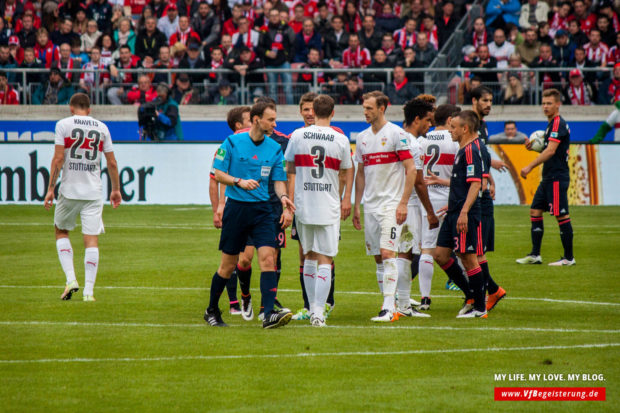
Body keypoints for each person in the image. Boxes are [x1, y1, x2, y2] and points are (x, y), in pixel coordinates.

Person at [205, 100, 295, 329]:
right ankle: (212, 310)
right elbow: (218, 173)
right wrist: (238, 181)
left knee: (268, 259)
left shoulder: (275, 148)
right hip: (237, 209)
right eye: (271, 119)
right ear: (257, 120)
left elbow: (279, 182)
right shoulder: (233, 142)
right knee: (228, 265)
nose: (275, 124)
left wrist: (284, 199)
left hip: (263, 211)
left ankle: (268, 314)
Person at [43, 93, 121, 302]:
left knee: (61, 231)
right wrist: (116, 189)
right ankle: (89, 293)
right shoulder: (101, 127)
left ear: (71, 108)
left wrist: (51, 188)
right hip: (93, 191)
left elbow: (58, 158)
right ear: (89, 109)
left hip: (69, 190)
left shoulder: (63, 125)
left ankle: (71, 279)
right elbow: (112, 163)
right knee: (91, 239)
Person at [285, 95, 353, 327]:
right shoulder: (341, 139)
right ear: (333, 113)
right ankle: (318, 313)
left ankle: (311, 307)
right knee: (325, 258)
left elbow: (290, 168)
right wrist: (345, 198)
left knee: (309, 256)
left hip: (304, 203)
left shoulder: (297, 135)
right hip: (328, 204)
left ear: (313, 111)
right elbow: (346, 171)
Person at [352, 91, 416, 322]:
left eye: (369, 107)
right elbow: (361, 174)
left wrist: (403, 203)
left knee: (389, 252)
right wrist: (357, 206)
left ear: (382, 108)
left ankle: (389, 309)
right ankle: (390, 303)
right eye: (364, 107)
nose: (365, 111)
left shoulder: (397, 134)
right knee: (379, 257)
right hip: (370, 206)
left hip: (391, 206)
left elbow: (411, 169)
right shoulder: (362, 137)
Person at [433, 110, 486, 318]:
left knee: (469, 258)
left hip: (465, 214)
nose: (450, 131)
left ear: (465, 129)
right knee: (440, 255)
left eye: (453, 127)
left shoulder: (472, 150)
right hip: (454, 211)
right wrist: (453, 205)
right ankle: (470, 294)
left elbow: (475, 184)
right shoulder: (463, 149)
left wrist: (464, 211)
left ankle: (480, 308)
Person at [410, 104, 461, 309]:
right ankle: (474, 294)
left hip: (427, 200)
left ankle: (425, 298)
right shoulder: (456, 142)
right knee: (465, 249)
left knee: (427, 250)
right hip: (450, 200)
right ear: (450, 120)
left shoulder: (421, 141)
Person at [393, 98, 439, 319]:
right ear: (417, 119)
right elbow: (419, 182)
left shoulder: (396, 136)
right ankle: (402, 304)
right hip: (408, 203)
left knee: (401, 252)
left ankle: (400, 301)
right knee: (405, 252)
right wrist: (430, 212)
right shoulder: (414, 144)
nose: (429, 125)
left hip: (392, 200)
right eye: (428, 121)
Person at [518, 89, 575, 266]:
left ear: (558, 104)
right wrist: (534, 147)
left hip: (557, 176)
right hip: (549, 177)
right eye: (543, 103)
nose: (545, 106)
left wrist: (529, 166)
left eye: (549, 103)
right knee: (535, 211)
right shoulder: (551, 124)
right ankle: (535, 255)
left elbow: (550, 151)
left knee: (561, 215)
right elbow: (550, 148)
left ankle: (568, 258)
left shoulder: (558, 123)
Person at [209, 106, 252, 315]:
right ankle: (233, 302)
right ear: (239, 125)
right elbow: (214, 179)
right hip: (233, 208)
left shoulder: (257, 145)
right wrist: (218, 207)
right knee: (231, 258)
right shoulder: (227, 146)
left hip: (253, 208)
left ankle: (245, 299)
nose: (253, 122)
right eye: (249, 120)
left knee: (245, 258)